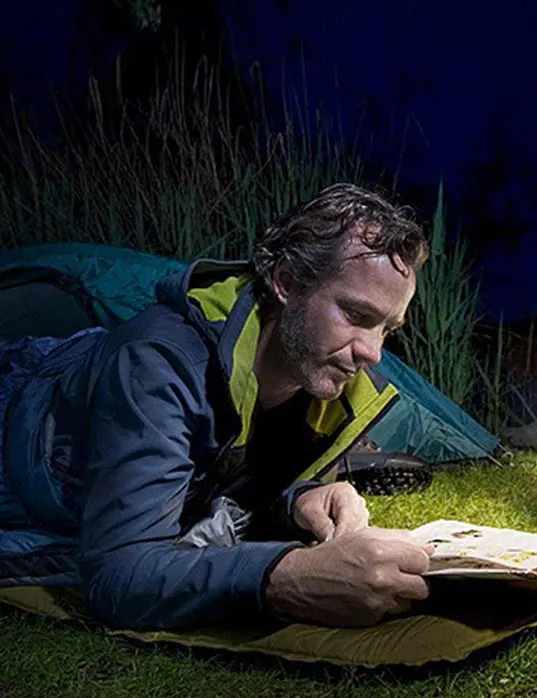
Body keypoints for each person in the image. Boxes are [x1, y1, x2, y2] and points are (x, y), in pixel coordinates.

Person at [0, 183, 436, 631]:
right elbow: (119, 576)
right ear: (286, 282)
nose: (373, 353)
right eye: (356, 316)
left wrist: (299, 498)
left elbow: (223, 475)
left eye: (387, 329)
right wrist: (287, 578)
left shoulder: (315, 371)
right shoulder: (159, 366)